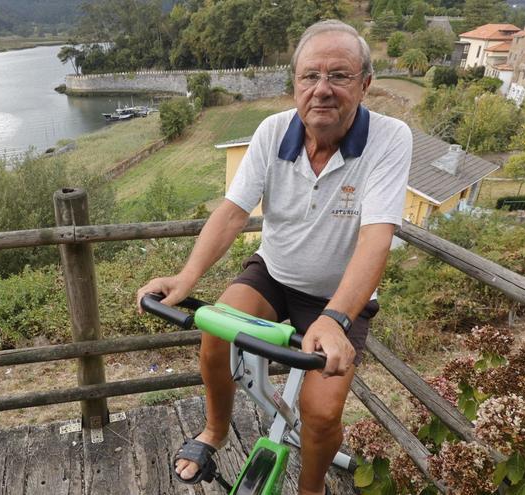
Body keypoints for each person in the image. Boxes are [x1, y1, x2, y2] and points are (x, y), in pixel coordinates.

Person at [135, 19, 412, 495]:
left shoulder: (390, 139)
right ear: (295, 83)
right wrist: (186, 277)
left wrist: (336, 318)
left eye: (339, 76)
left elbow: (376, 238)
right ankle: (216, 431)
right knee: (214, 337)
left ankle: (310, 489)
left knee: (322, 414)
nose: (321, 90)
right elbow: (231, 213)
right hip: (274, 273)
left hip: (338, 294)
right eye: (310, 76)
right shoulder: (271, 131)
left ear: (365, 83)